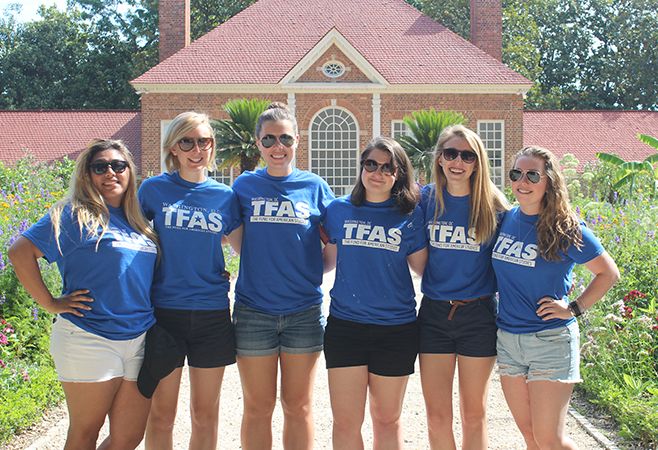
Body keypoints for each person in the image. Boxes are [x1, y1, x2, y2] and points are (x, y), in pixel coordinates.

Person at [8, 139, 158, 450]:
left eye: (119, 166)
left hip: (140, 338)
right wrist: (49, 302)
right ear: (86, 175)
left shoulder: (139, 221)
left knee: (129, 436)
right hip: (89, 337)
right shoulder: (73, 215)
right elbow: (19, 252)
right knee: (86, 432)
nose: (110, 173)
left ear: (130, 172)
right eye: (99, 167)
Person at [492, 146, 619, 449]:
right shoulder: (506, 220)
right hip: (509, 340)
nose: (523, 181)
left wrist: (574, 307)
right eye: (516, 174)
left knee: (549, 438)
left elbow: (608, 273)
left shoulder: (566, 227)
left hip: (550, 342)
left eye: (532, 174)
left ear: (549, 180)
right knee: (530, 435)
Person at [231, 102, 335, 449]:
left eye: (285, 138)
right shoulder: (243, 187)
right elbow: (233, 240)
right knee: (258, 407)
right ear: (258, 143)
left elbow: (333, 243)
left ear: (297, 141)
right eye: (269, 139)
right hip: (253, 313)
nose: (278, 147)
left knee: (298, 406)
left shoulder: (315, 187)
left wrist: (307, 272)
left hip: (303, 313)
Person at [138, 111, 242, 450]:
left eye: (203, 142)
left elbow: (244, 246)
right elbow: (131, 243)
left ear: (212, 147)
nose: (196, 149)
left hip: (212, 313)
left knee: (205, 414)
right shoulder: (153, 190)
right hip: (165, 312)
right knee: (162, 413)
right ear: (174, 147)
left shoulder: (224, 197)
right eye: (187, 141)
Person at [322, 136, 428, 449]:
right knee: (345, 421)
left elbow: (425, 270)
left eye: (387, 167)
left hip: (396, 329)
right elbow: (324, 263)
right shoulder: (339, 210)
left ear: (399, 174)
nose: (377, 173)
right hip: (346, 327)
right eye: (371, 164)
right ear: (362, 167)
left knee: (386, 419)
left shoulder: (409, 216)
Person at [418, 125, 510, 449]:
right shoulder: (425, 200)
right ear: (440, 159)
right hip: (434, 315)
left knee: (474, 413)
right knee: (436, 416)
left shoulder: (495, 206)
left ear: (477, 162)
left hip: (479, 315)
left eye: (467, 155)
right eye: (451, 153)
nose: (458, 161)